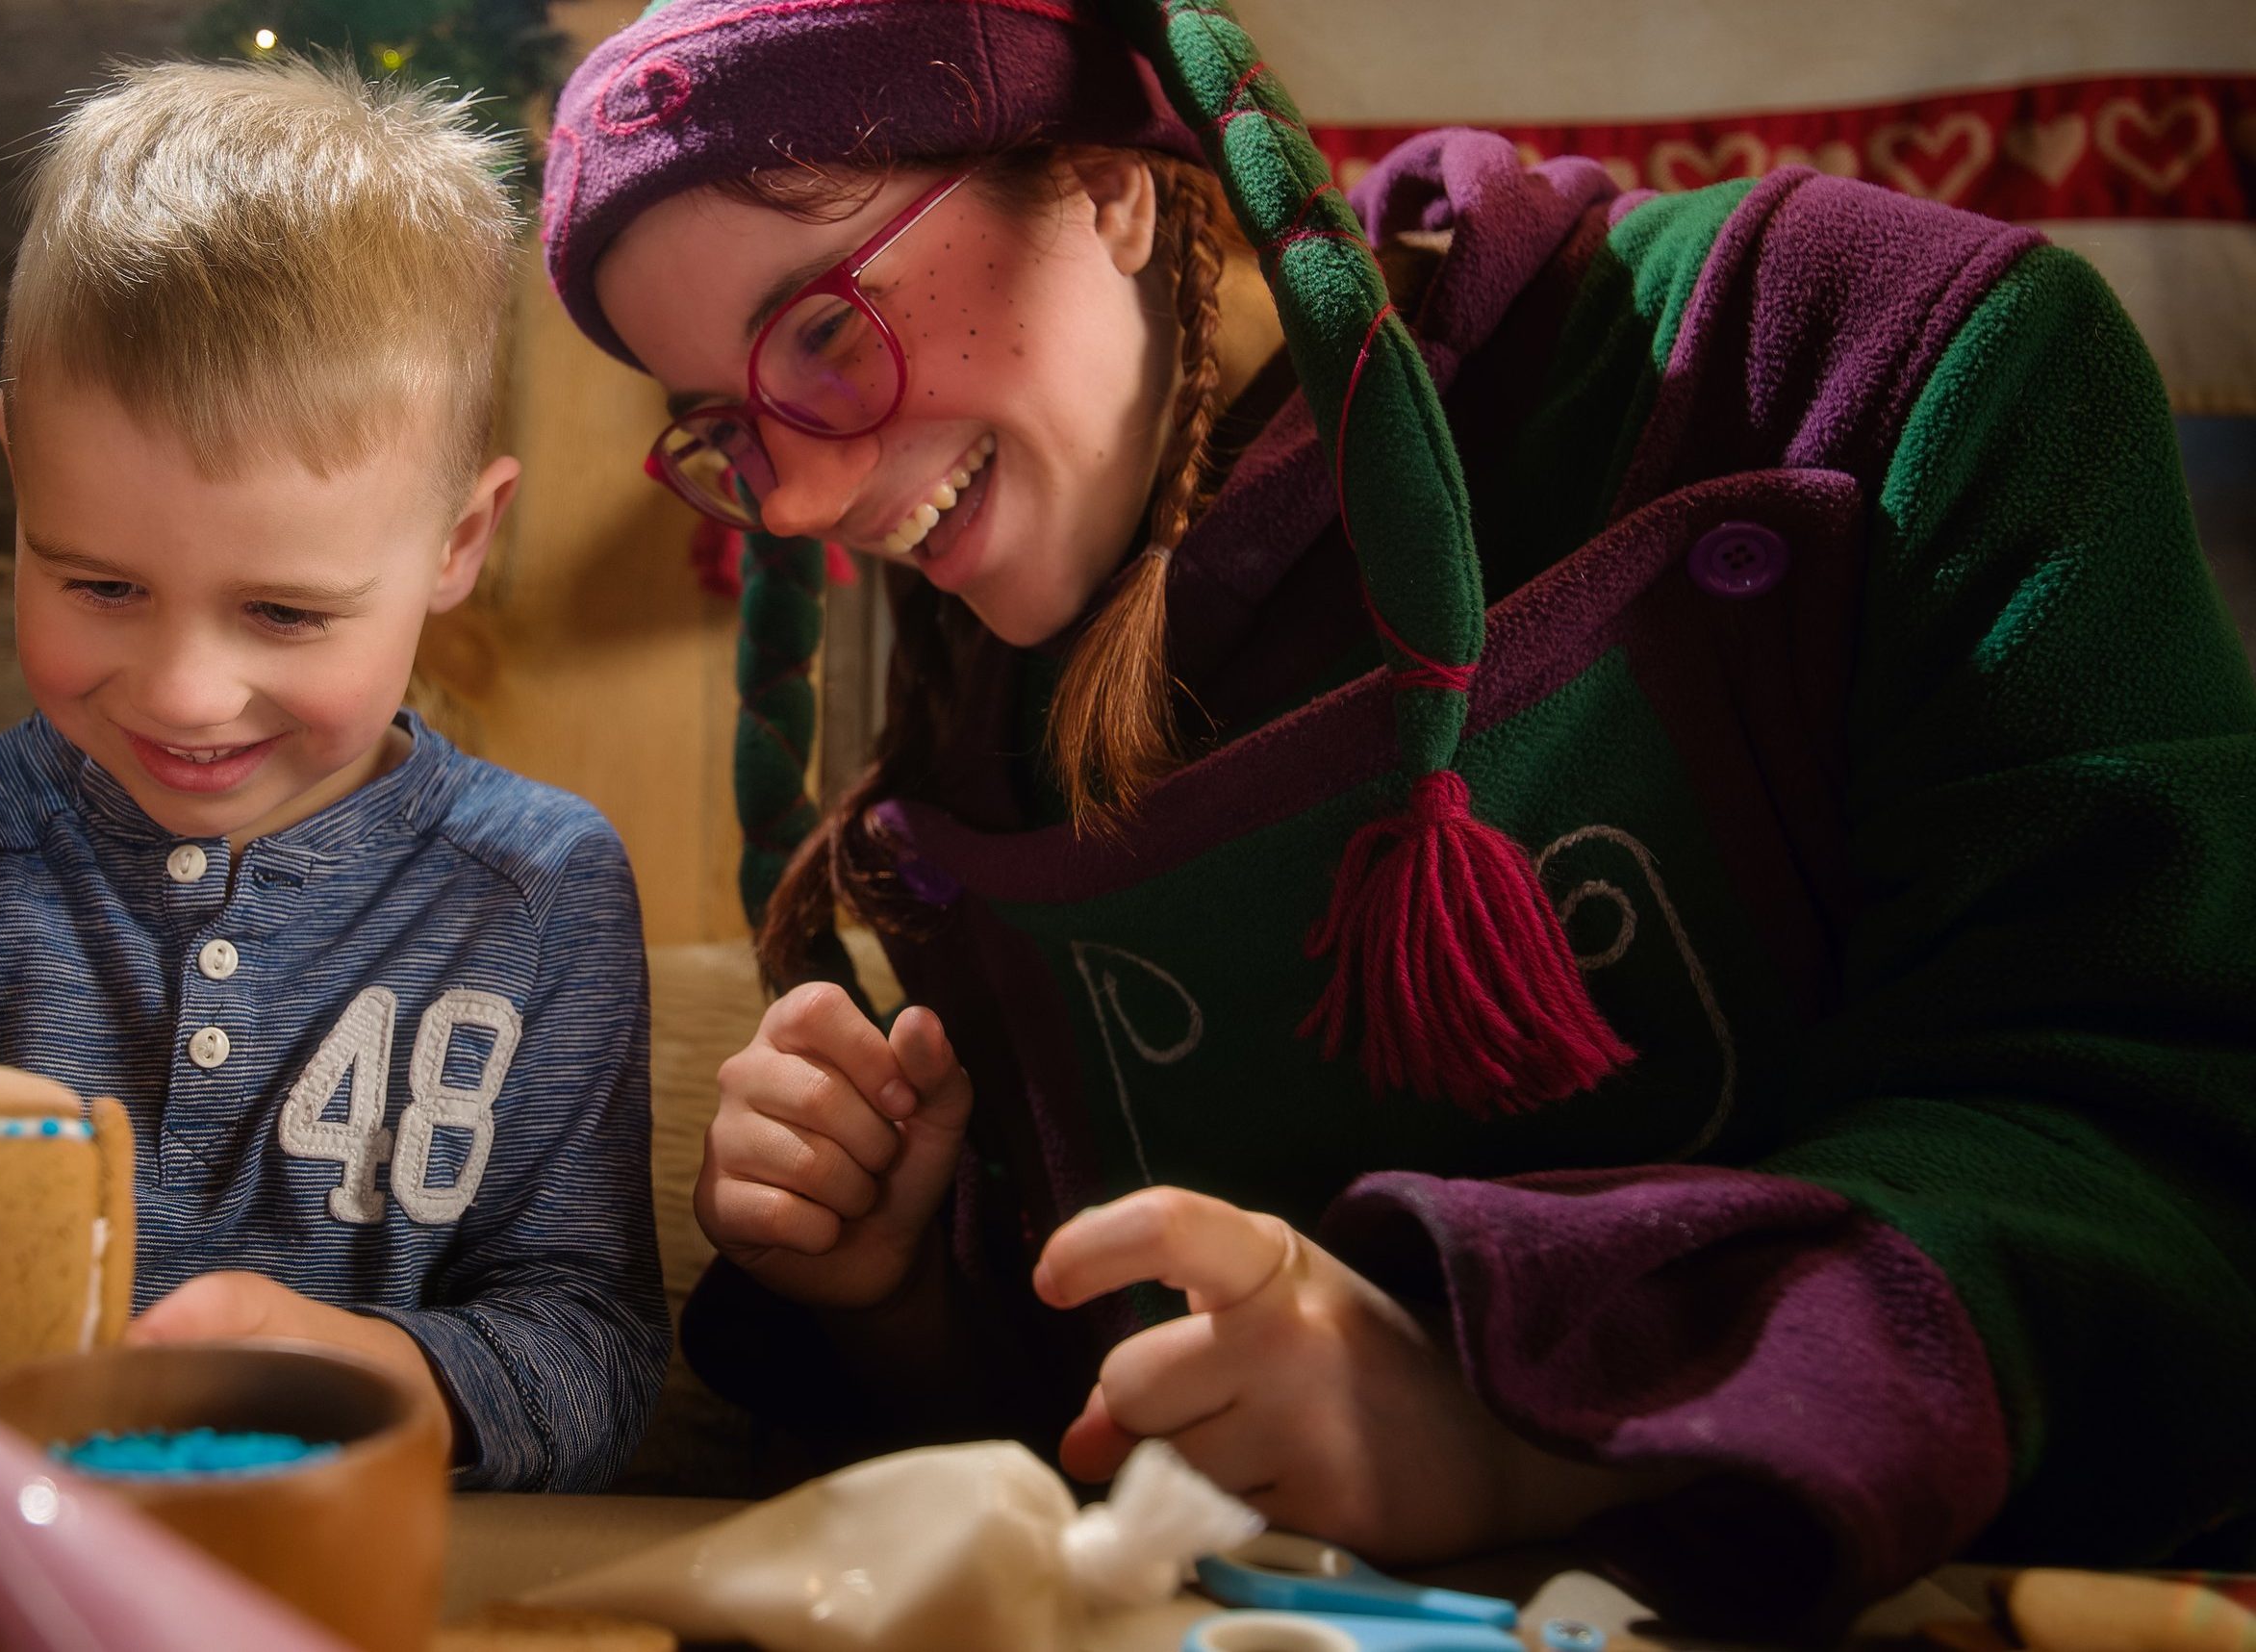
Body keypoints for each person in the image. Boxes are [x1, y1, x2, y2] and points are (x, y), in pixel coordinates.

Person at [540, 0, 2256, 1619]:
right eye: (726, 429)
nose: (804, 501)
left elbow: (2157, 1150)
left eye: (826, 328)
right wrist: (902, 1291)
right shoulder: (981, 711)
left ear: (1106, 186)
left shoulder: (1849, 351)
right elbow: (1092, 1432)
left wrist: (1515, 1402)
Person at [0, 56, 669, 1493]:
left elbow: (597, 1358)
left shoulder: (541, 889)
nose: (183, 694)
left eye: (285, 612)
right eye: (101, 585)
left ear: (457, 541)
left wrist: (363, 1375)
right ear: (18, 471)